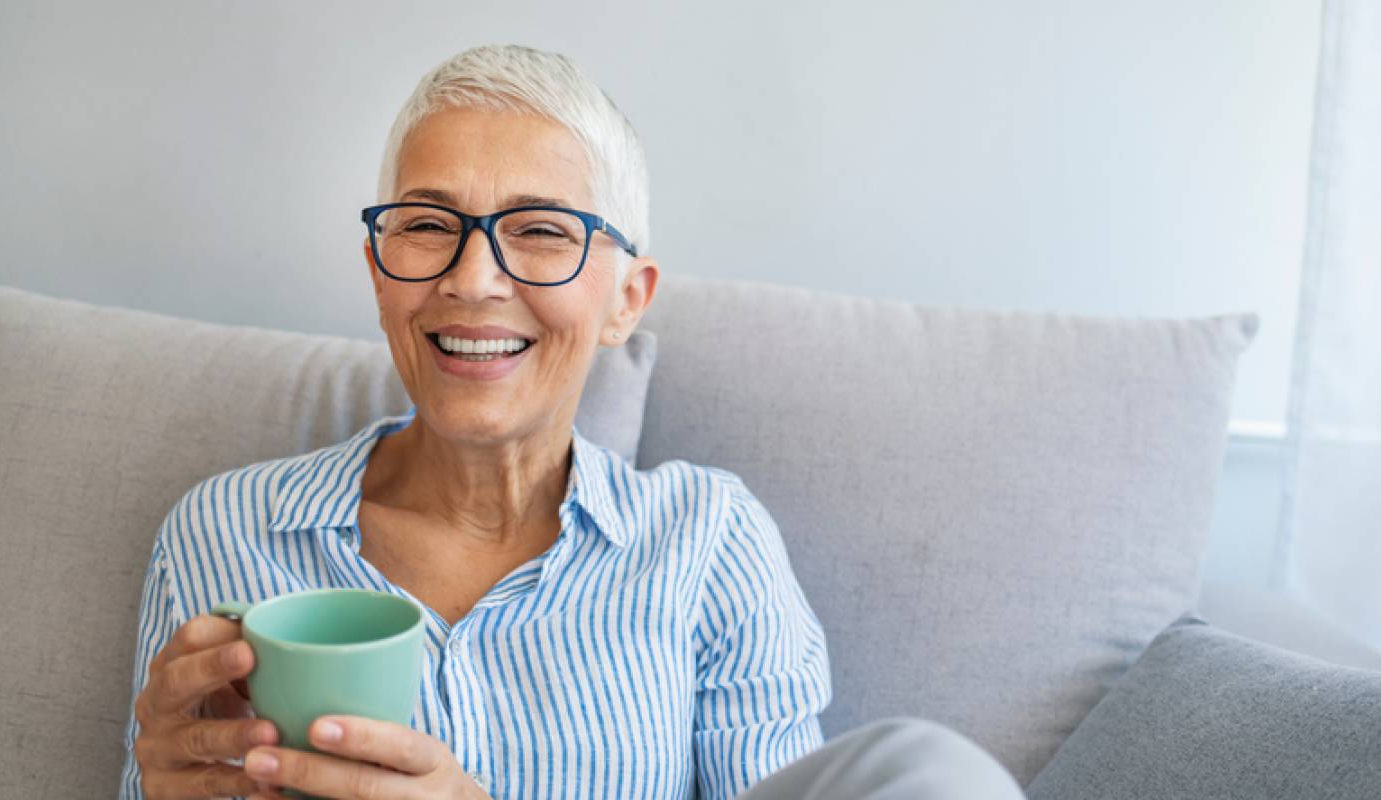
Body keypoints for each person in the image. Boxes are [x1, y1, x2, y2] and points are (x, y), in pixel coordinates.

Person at [118, 43, 1026, 800]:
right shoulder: (223, 533)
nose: (472, 281)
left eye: (543, 232)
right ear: (377, 270)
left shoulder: (707, 540)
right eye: (428, 225)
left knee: (933, 774)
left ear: (627, 300)